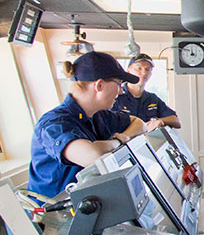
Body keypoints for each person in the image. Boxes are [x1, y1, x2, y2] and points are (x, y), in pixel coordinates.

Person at [28, 51, 147, 199]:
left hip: (89, 203)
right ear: (99, 85)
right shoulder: (54, 123)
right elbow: (92, 156)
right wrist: (118, 141)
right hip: (53, 215)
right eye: (118, 84)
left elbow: (140, 124)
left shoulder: (99, 115)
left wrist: (124, 136)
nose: (121, 91)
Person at [112, 53, 181, 132]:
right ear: (128, 71)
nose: (144, 73)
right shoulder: (116, 96)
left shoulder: (152, 99)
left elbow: (176, 121)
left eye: (147, 69)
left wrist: (155, 121)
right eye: (139, 68)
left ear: (151, 74)